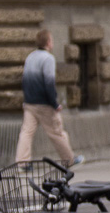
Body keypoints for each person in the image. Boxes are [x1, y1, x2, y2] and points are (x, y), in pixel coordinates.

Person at [15, 29, 82, 166]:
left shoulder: (30, 57)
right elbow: (49, 83)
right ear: (48, 42)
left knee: (26, 133)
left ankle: (22, 163)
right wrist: (54, 103)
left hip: (29, 103)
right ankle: (69, 160)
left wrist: (27, 99)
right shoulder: (48, 59)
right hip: (44, 104)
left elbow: (25, 80)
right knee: (56, 132)